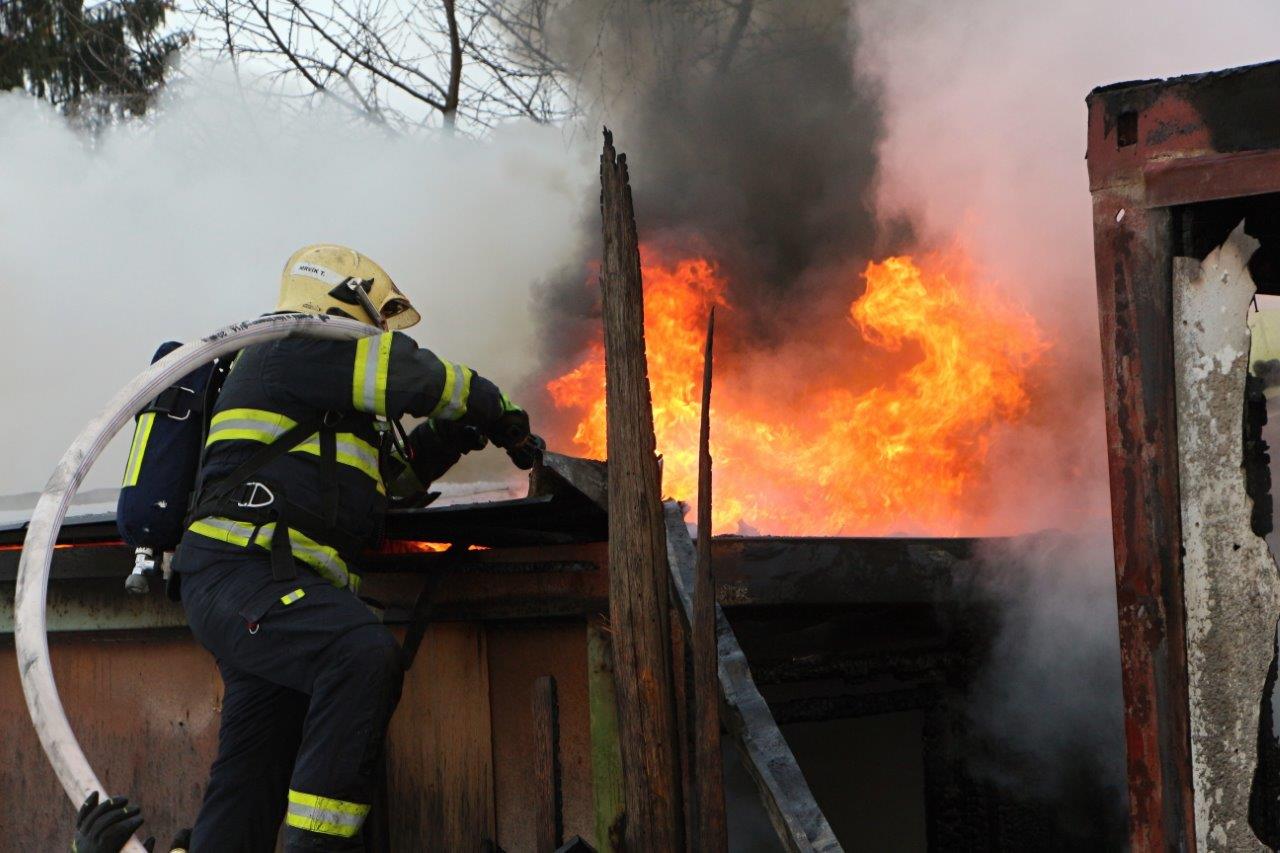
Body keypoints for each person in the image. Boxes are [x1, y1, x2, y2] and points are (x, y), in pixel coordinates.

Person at [173, 244, 542, 851]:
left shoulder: (323, 396)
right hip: (241, 569)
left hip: (261, 585)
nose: (377, 332)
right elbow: (417, 375)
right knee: (361, 654)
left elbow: (386, 481)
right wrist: (495, 406)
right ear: (347, 296)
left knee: (254, 772)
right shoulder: (290, 350)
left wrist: (455, 433)